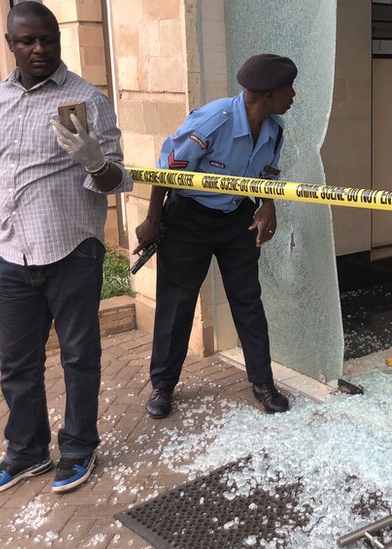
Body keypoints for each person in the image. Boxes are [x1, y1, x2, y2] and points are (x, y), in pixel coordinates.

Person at [0, 2, 131, 496]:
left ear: (57, 41)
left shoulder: (88, 99)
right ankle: (26, 452)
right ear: (11, 44)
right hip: (15, 254)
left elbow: (117, 181)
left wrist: (93, 160)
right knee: (17, 363)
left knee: (79, 357)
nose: (39, 49)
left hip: (72, 251)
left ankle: (79, 448)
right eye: (28, 41)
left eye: (48, 39)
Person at [135, 54, 296, 418]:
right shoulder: (213, 121)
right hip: (188, 219)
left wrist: (267, 206)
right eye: (289, 88)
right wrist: (153, 220)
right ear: (269, 93)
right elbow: (168, 171)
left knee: (248, 301)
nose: (293, 95)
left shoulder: (273, 129)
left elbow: (266, 173)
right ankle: (163, 386)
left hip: (235, 218)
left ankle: (262, 383)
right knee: (177, 303)